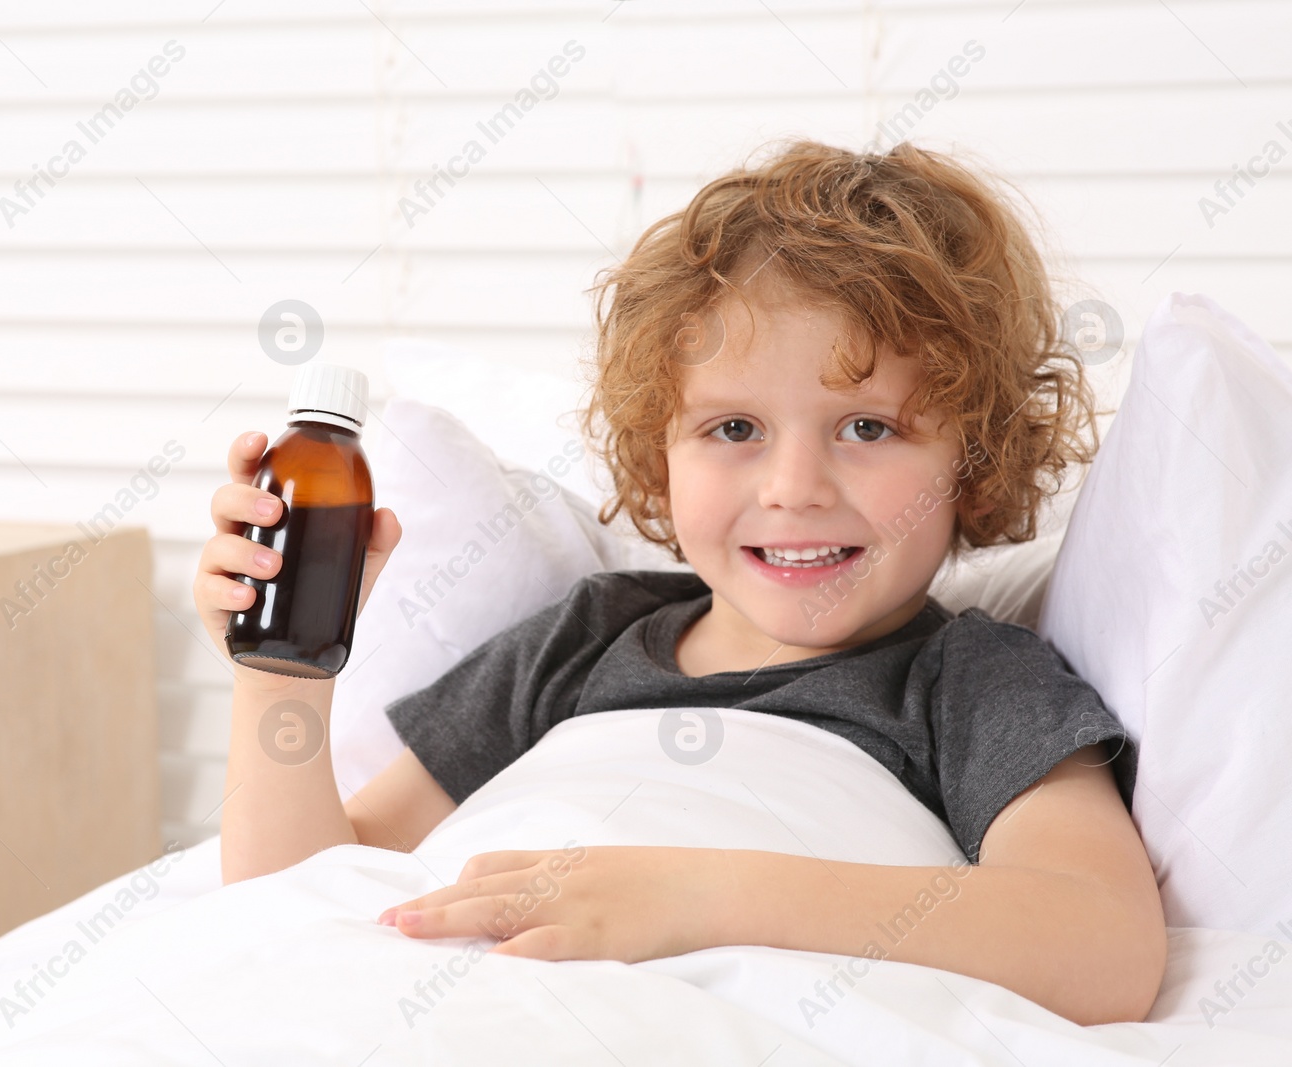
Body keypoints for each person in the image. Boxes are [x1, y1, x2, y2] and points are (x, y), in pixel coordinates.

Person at [191, 138, 1165, 1027]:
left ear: (977, 456)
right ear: (659, 456)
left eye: (866, 427)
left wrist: (693, 897)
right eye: (733, 429)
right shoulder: (583, 638)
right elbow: (306, 886)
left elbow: (1100, 942)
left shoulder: (968, 680)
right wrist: (280, 671)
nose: (792, 489)